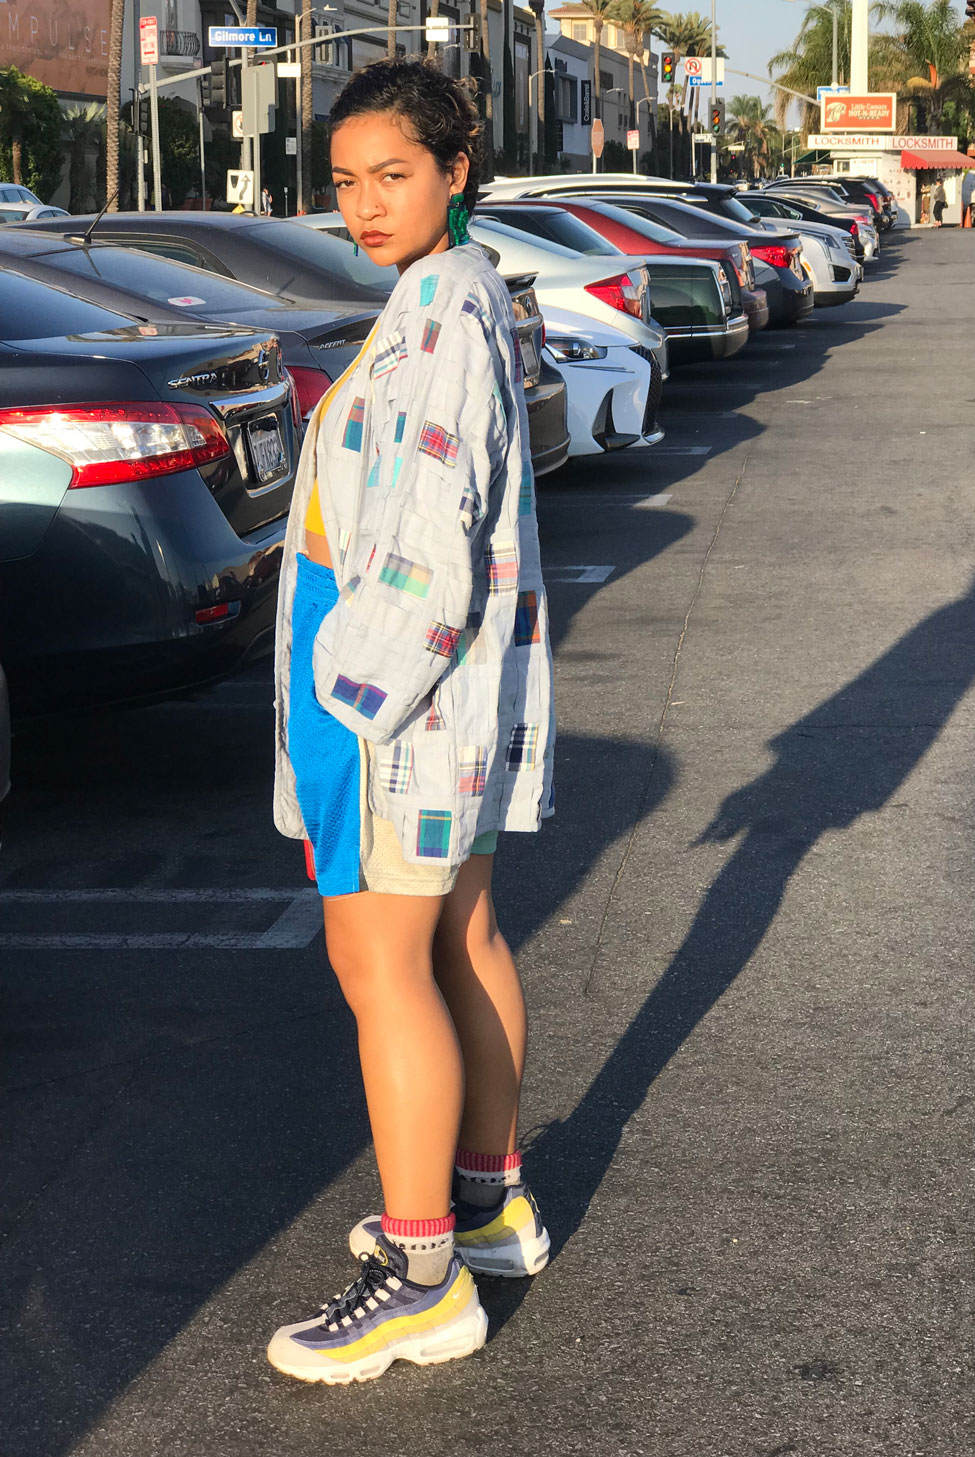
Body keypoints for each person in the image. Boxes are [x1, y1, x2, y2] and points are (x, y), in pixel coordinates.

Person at [268, 57, 555, 1385]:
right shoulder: (456, 288)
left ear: (454, 169)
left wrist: (353, 689)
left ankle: (420, 1272)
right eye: (345, 182)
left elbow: (427, 540)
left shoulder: (441, 305)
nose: (367, 204)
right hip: (447, 684)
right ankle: (487, 1205)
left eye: (394, 175)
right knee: (462, 932)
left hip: (393, 688)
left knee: (379, 963)